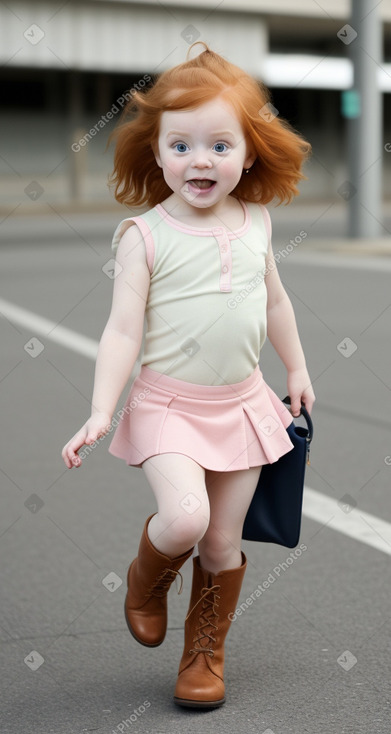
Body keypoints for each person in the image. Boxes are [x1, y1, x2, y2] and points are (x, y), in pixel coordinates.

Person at [62, 42, 315, 709]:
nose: (199, 160)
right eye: (180, 145)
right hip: (169, 406)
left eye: (218, 145)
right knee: (182, 519)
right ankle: (147, 578)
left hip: (241, 405)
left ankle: (203, 653)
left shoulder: (256, 221)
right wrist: (99, 409)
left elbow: (274, 301)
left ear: (249, 151)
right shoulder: (144, 236)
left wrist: (295, 365)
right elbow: (121, 330)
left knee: (223, 540)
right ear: (157, 154)